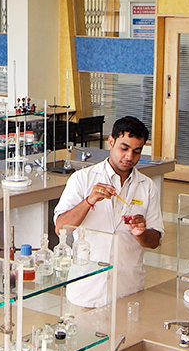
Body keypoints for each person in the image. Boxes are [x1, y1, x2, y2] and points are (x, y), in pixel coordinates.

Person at [53, 116, 163, 309]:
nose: (129, 157)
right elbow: (61, 227)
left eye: (137, 152)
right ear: (110, 142)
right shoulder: (82, 179)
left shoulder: (147, 186)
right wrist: (89, 201)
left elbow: (154, 241)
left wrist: (141, 233)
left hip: (127, 289)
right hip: (86, 290)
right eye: (124, 148)